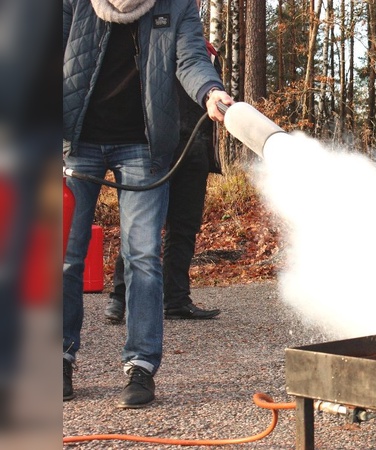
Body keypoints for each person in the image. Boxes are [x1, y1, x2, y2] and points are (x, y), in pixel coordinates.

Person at [63, 0, 233, 408]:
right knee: (64, 254)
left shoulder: (177, 6)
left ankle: (140, 365)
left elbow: (191, 58)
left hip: (143, 145)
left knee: (142, 255)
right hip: (74, 142)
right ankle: (59, 357)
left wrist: (211, 92)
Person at [105, 23, 223, 323]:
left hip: (195, 149)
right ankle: (120, 298)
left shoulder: (208, 53)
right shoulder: (153, 43)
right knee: (141, 224)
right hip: (153, 148)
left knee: (184, 228)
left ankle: (176, 299)